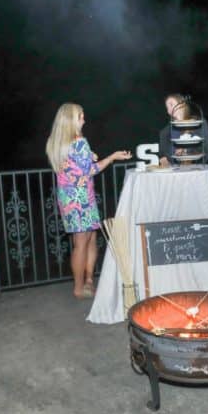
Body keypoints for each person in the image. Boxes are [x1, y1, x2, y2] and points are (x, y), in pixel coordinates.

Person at [45, 103, 132, 299]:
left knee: (89, 238)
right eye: (80, 116)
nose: (84, 119)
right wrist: (113, 157)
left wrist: (89, 156)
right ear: (71, 120)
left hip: (69, 198)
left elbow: (73, 165)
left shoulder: (57, 142)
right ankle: (79, 287)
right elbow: (90, 170)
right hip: (81, 199)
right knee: (82, 242)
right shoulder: (79, 142)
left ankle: (89, 282)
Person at [158, 93, 208, 166]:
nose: (169, 110)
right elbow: (163, 154)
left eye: (171, 105)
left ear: (182, 105)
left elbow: (207, 151)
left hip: (196, 170)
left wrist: (186, 151)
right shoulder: (165, 132)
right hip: (175, 172)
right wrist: (164, 159)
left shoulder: (198, 124)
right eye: (167, 107)